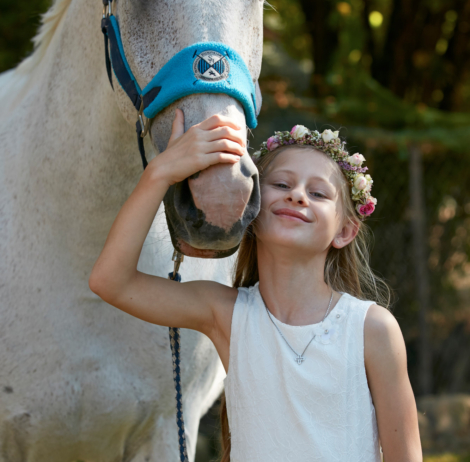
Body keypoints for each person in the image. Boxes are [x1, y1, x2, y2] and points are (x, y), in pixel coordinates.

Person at [89, 110, 423, 462]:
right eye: (281, 184)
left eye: (318, 193)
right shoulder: (226, 314)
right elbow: (110, 281)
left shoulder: (371, 328)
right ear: (252, 207)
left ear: (344, 231)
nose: (297, 196)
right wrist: (160, 172)